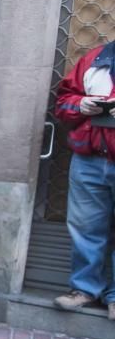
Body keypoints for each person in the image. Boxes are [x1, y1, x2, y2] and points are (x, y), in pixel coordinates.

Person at [52, 40, 115, 319]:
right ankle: (84, 290)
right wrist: (81, 105)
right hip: (89, 160)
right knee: (85, 227)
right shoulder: (94, 58)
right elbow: (63, 101)